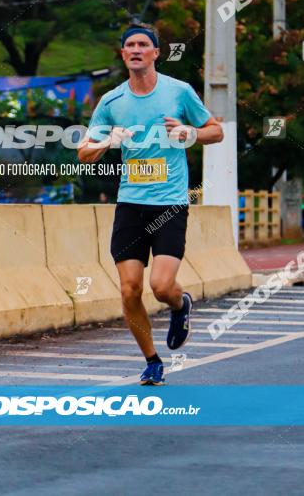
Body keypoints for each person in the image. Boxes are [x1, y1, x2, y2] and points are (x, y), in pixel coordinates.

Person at [77, 23, 223, 385]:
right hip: (131, 204)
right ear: (124, 55)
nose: (137, 49)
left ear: (156, 53)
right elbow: (83, 154)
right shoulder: (112, 102)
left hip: (170, 203)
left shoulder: (179, 92)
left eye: (144, 44)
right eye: (130, 45)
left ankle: (180, 304)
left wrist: (190, 134)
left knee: (160, 286)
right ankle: (152, 360)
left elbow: (216, 131)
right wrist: (107, 141)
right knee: (130, 289)